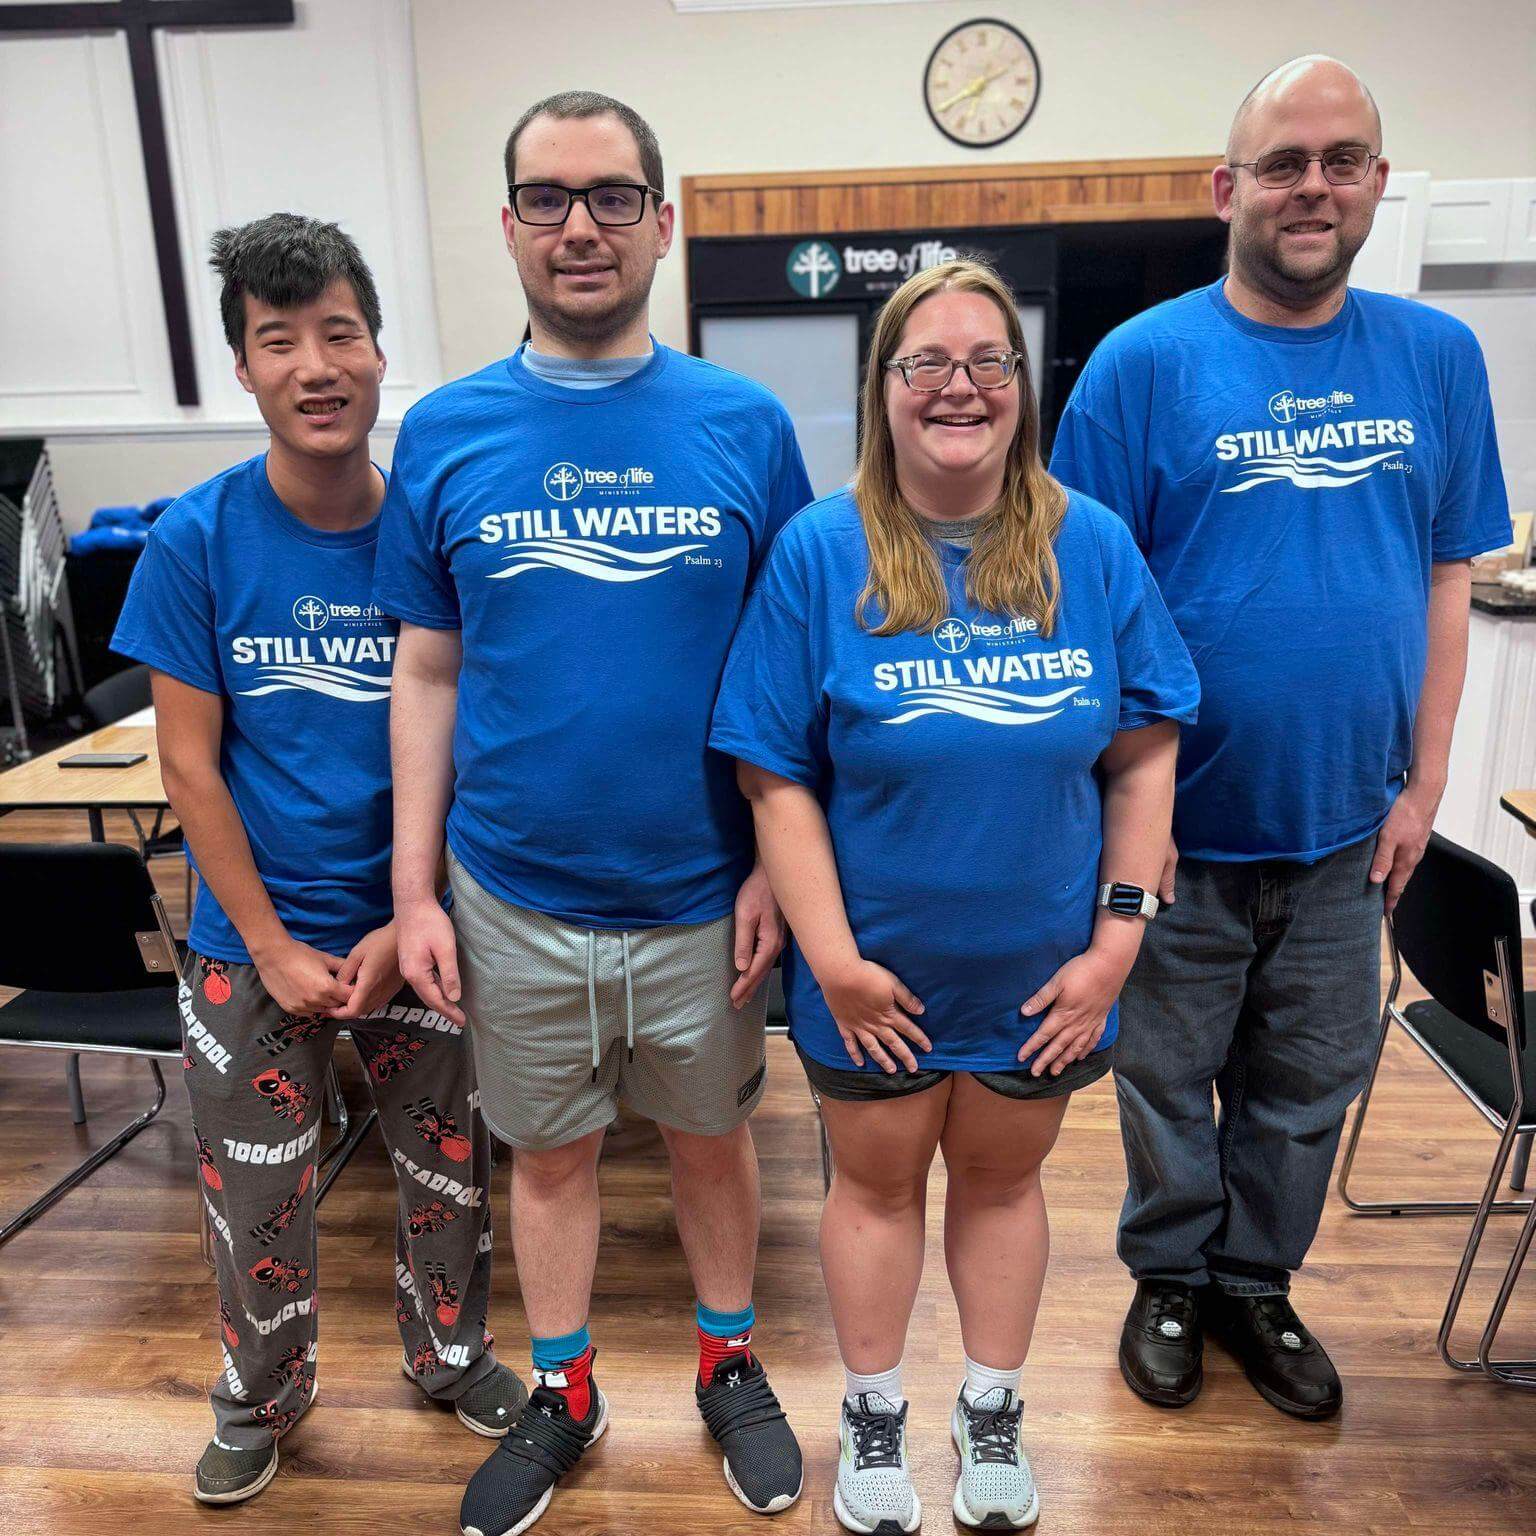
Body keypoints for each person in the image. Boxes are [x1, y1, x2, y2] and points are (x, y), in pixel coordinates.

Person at [370, 92, 814, 1536]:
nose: (581, 226)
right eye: (550, 198)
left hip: (703, 890)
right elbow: (427, 670)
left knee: (710, 1142)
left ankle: (727, 1364)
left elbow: (785, 667)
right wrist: (415, 891)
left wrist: (777, 864)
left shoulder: (745, 426)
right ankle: (563, 1392)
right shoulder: (445, 433)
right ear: (508, 225)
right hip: (512, 888)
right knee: (549, 1157)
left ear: (661, 223)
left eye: (613, 196)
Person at [1050, 56, 1513, 1420]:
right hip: (1178, 830)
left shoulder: (1438, 358)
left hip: (1347, 826)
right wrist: (1124, 810)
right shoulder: (1142, 366)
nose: (1314, 186)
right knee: (1164, 1076)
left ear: (1375, 180)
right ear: (1227, 188)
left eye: (1342, 160)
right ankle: (1169, 1279)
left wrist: (1428, 783)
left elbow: (1446, 575)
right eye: (1284, 163)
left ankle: (1256, 1281)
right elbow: (1086, 605)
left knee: (1310, 1084)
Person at [712, 258, 1199, 1533]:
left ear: (1024, 389)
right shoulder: (820, 551)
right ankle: (873, 1417)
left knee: (1001, 1187)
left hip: (1044, 982)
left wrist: (1115, 949)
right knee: (874, 1193)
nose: (959, 387)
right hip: (873, 979)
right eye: (925, 362)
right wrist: (833, 964)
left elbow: (1145, 754)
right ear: (882, 388)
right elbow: (775, 778)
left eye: (989, 361)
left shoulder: (1090, 546)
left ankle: (992, 1411)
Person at [111, 214, 524, 1505]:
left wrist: (414, 911)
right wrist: (273, 945)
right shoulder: (198, 538)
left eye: (339, 333)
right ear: (244, 368)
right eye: (278, 341)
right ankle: (261, 1395)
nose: (315, 366)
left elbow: (478, 741)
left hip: (424, 931)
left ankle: (450, 1356)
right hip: (251, 945)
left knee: (448, 1175)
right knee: (256, 1202)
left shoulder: (438, 528)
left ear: (380, 350)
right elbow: (190, 768)